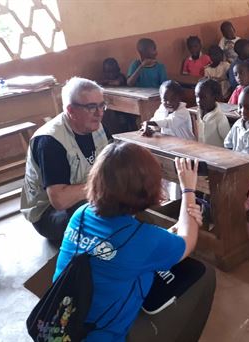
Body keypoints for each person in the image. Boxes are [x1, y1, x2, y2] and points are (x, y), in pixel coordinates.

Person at [53, 142, 215, 341]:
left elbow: (127, 245)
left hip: (59, 325)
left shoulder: (81, 214)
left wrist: (181, 225)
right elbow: (187, 242)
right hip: (101, 336)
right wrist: (188, 190)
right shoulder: (142, 239)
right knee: (205, 276)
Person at [20, 77, 109, 243]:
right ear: (71, 110)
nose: (99, 113)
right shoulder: (50, 141)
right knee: (93, 215)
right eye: (91, 107)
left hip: (85, 194)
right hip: (49, 213)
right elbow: (60, 200)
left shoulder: (95, 125)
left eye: (101, 105)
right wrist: (103, 186)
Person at [194, 78, 231, 147]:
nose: (198, 100)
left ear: (215, 97)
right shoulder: (197, 113)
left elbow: (228, 143)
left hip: (217, 155)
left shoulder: (220, 119)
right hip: (201, 153)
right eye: (196, 96)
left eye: (203, 97)